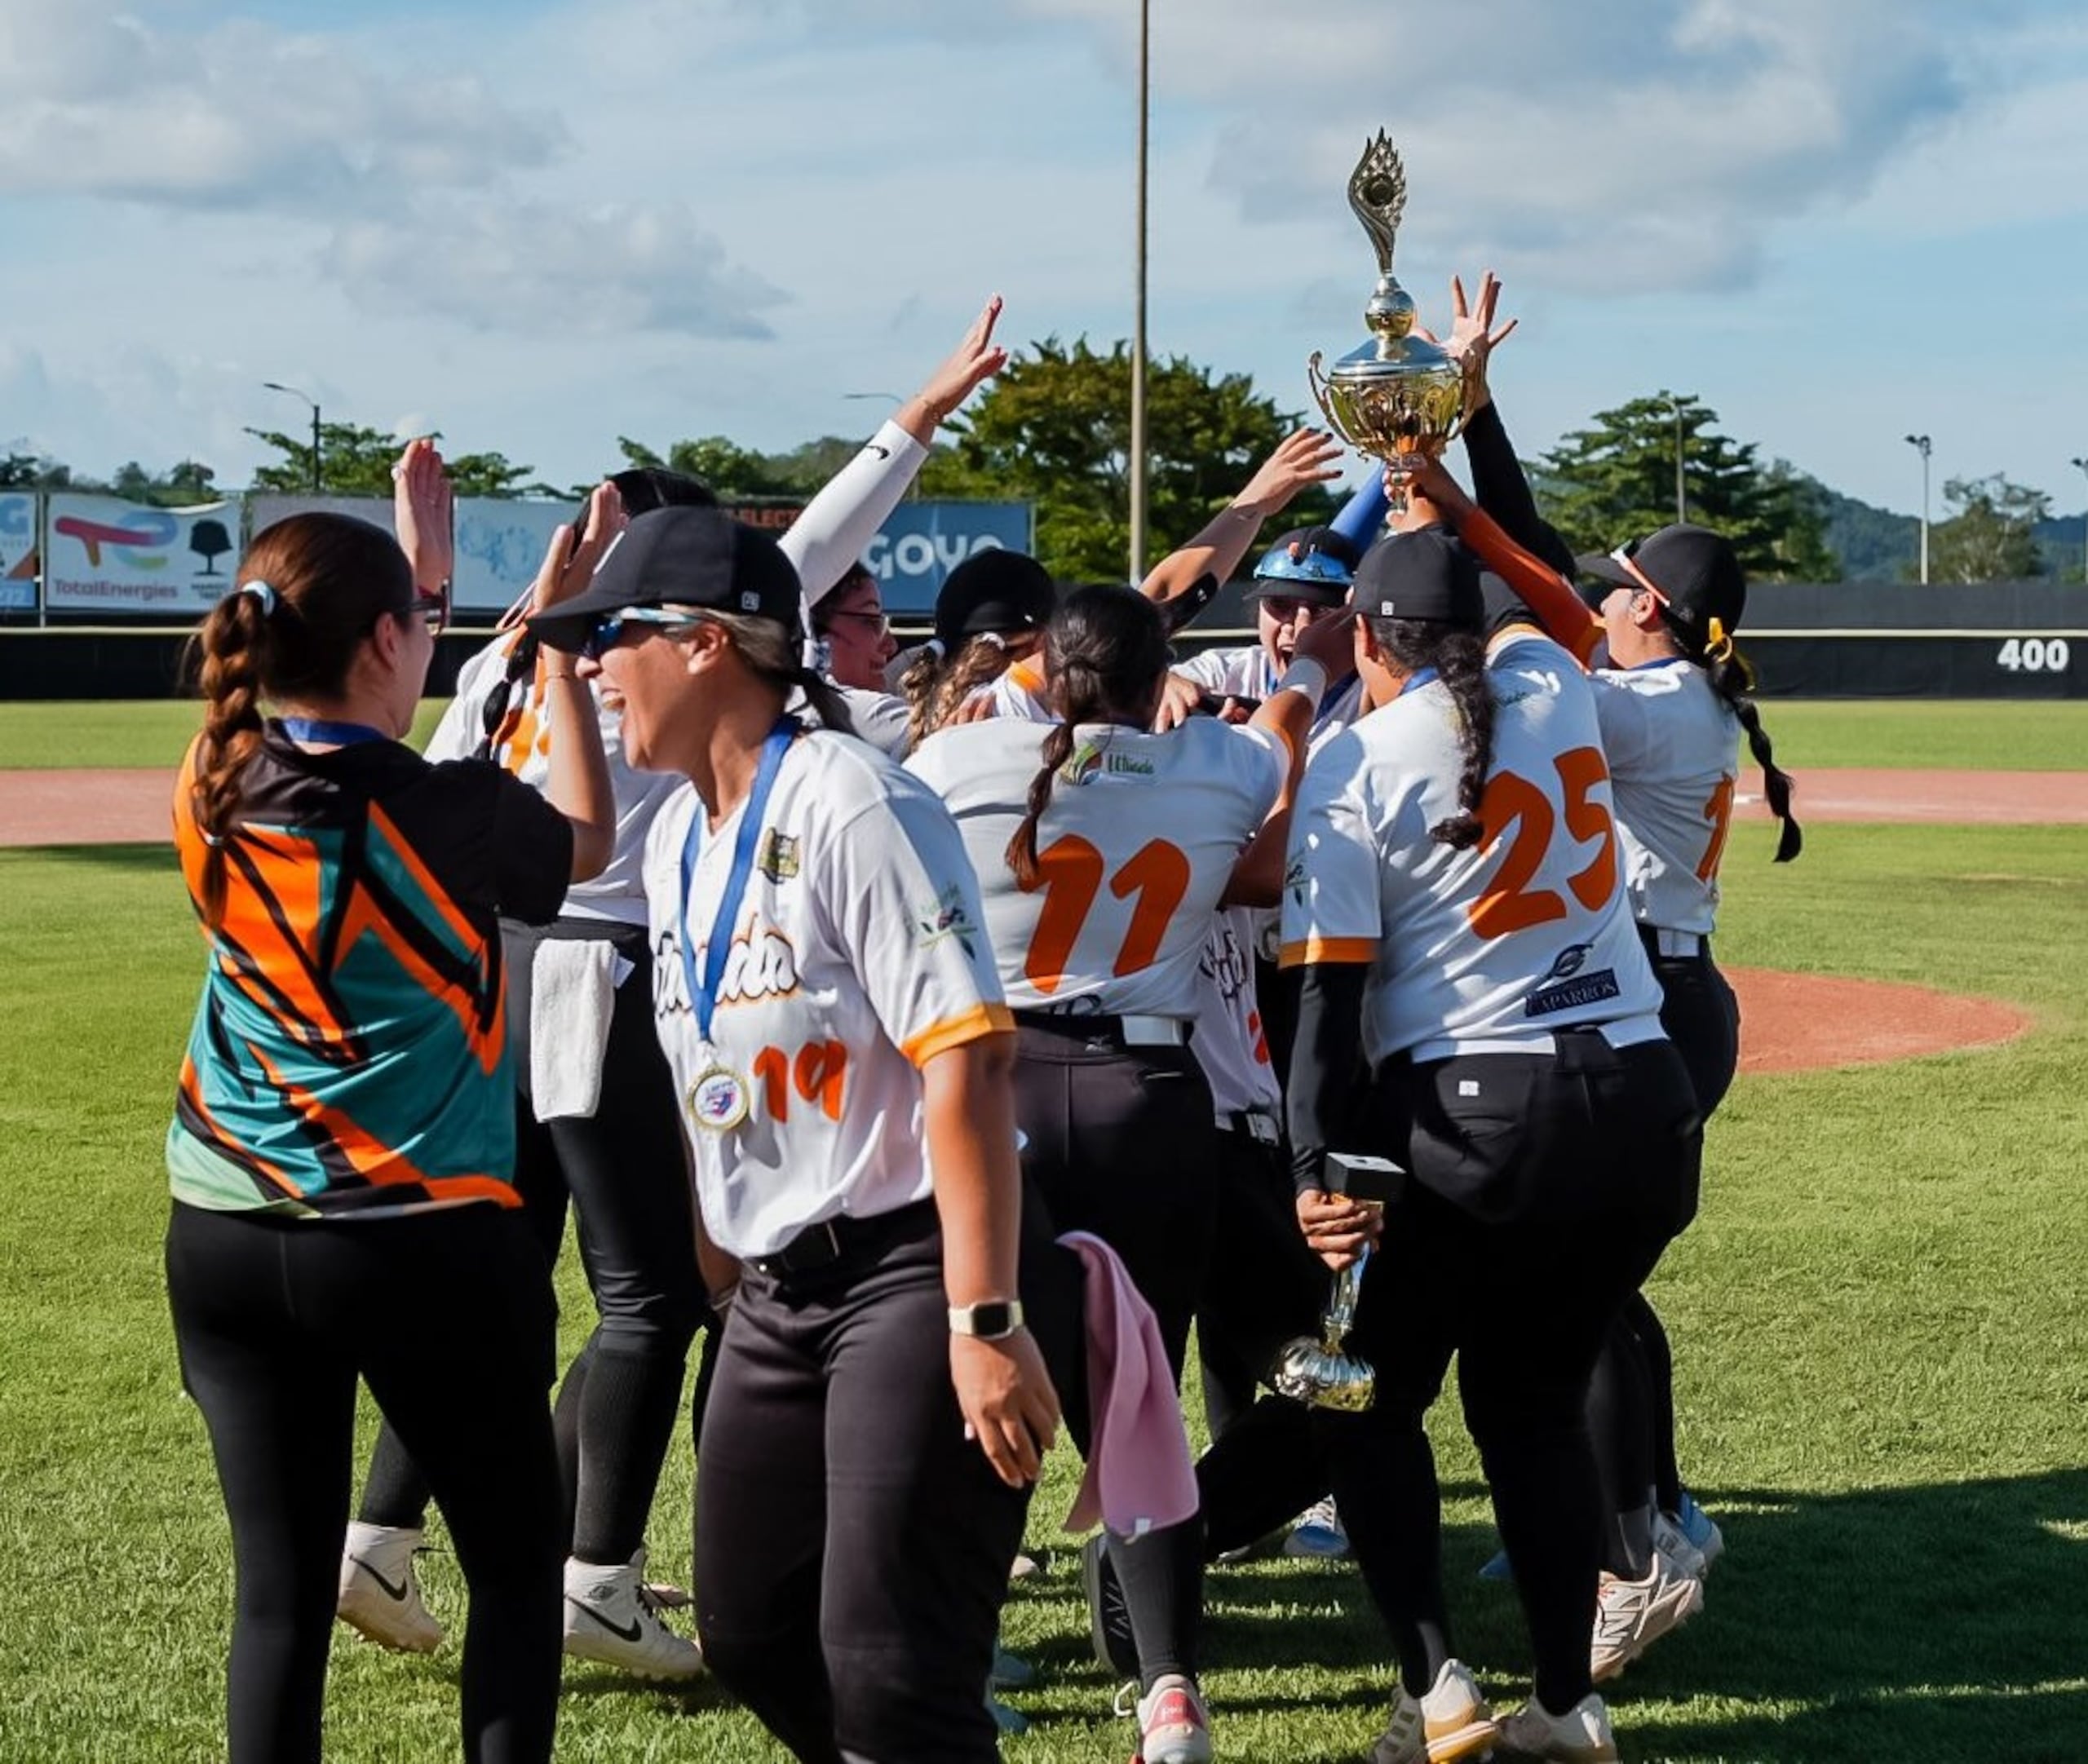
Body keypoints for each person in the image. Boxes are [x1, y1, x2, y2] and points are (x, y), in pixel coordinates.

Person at [340, 300, 1010, 1674]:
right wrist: (918, 416)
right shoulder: (665, 659)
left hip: (491, 978)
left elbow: (431, 774)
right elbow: (819, 539)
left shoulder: (511, 658)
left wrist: (443, 588)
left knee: (505, 1274)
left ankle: (383, 1531)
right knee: (650, 1295)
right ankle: (597, 1571)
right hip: (613, 968)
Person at [534, 504, 1059, 1764]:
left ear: (706, 643)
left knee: (887, 1662)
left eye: (614, 635)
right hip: (774, 1291)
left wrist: (985, 1319)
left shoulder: (853, 799)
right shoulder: (678, 837)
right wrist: (723, 1265)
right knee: (752, 1629)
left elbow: (969, 1054)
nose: (596, 667)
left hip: (912, 1269)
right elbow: (706, 1065)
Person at [165, 510, 616, 1764]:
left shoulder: (212, 774)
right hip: (419, 1237)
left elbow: (345, 705)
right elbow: (590, 840)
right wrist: (562, 654)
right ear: (380, 641)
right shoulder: (454, 809)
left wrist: (414, 574)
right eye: (419, 621)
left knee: (278, 1600)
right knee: (515, 1572)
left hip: (225, 1228)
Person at [1280, 518, 1701, 1764]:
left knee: (1368, 1404)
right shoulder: (1554, 684)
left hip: (1482, 1115)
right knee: (1532, 1409)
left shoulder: (1356, 760)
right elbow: (1546, 613)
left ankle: (1437, 1693)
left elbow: (1324, 1005)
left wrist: (1309, 1167)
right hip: (1642, 1095)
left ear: (1367, 639)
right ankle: (1566, 1707)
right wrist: (1440, 500)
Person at [909, 582, 1351, 1764]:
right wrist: (1303, 675)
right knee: (1138, 1395)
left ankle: (961, 1656)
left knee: (984, 1368)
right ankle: (1168, 1692)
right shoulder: (1208, 764)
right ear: (1161, 682)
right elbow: (1279, 747)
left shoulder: (958, 760)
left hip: (994, 1088)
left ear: (1044, 670)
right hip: (1143, 1096)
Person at [1405, 441, 1801, 1677]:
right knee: (1603, 1291)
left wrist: (1453, 515)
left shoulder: (1654, 703)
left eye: (1624, 585)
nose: (1604, 594)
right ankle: (1655, 1513)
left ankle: (1637, 1544)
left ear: (1653, 612)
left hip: (1657, 1004)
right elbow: (1547, 576)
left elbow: (1536, 601)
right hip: (1670, 993)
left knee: (1575, 1291)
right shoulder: (1675, 689)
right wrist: (1476, 429)